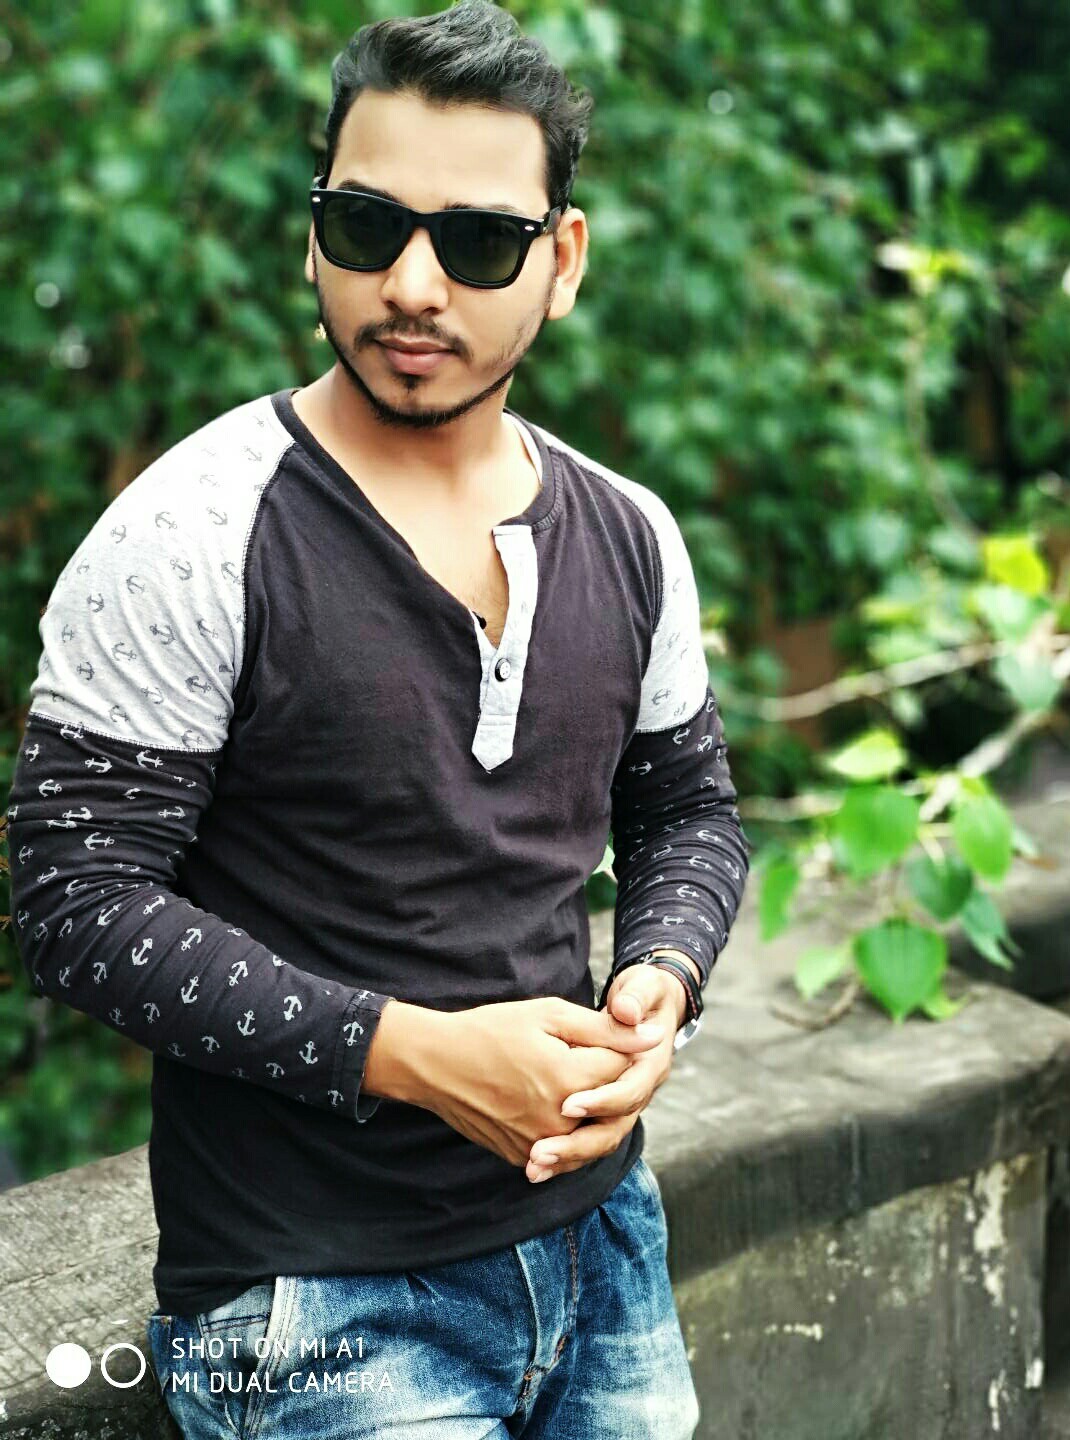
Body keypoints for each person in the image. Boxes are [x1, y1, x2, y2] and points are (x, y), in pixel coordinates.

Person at [7, 2, 750, 1435]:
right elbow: (73, 904)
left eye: (477, 243)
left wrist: (662, 973)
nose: (412, 284)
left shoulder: (632, 535)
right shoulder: (192, 532)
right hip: (311, 1300)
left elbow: (688, 810)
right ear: (313, 237)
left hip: (604, 1248)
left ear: (563, 261)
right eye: (367, 226)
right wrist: (410, 1053)